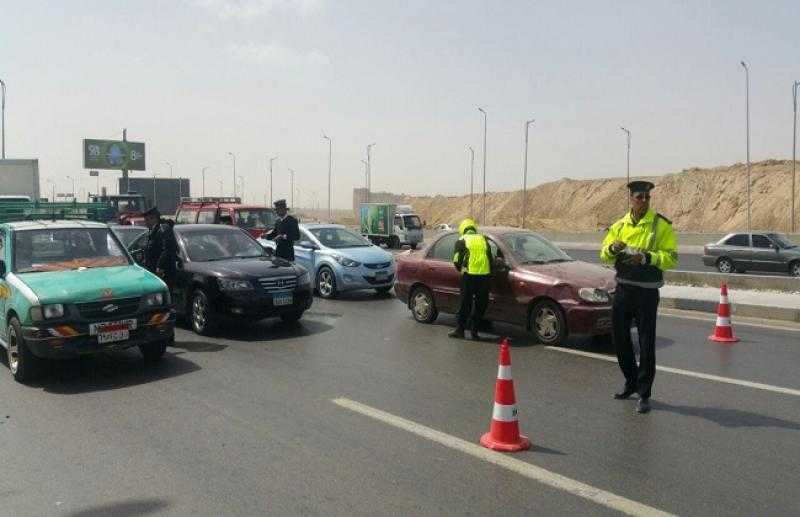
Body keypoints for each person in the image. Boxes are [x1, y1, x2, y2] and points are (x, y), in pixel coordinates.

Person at [600, 181, 678, 414]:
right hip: (623, 289)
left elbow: (671, 258)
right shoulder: (619, 225)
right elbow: (603, 255)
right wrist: (613, 248)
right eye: (639, 197)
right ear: (631, 200)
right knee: (620, 338)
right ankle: (630, 382)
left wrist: (646, 258)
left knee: (645, 342)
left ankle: (644, 393)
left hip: (646, 291)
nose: (643, 201)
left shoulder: (660, 225)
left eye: (646, 197)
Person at [449, 218, 494, 341]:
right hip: (484, 276)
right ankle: (475, 331)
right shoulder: (483, 239)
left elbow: (456, 260)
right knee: (480, 305)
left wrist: (461, 269)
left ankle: (460, 330)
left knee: (465, 303)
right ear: (474, 228)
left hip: (469, 276)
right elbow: (490, 259)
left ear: (462, 229)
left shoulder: (461, 240)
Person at [143, 207, 178, 291]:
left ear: (154, 218)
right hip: (153, 269)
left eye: (147, 220)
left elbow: (167, 249)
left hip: (164, 271)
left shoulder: (164, 229)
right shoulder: (153, 230)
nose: (145, 223)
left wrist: (160, 266)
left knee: (164, 295)